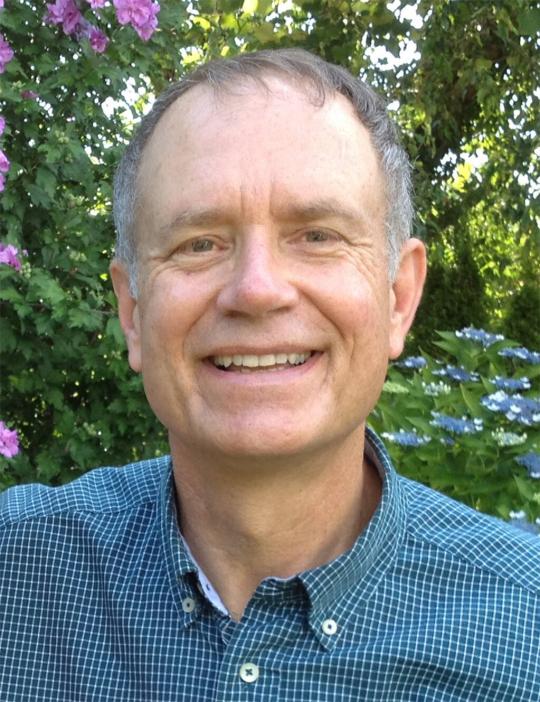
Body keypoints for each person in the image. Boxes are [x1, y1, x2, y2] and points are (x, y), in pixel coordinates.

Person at [0, 48, 538, 702]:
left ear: (399, 297)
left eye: (317, 235)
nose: (256, 290)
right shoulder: (17, 572)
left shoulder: (522, 630)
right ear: (133, 311)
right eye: (199, 243)